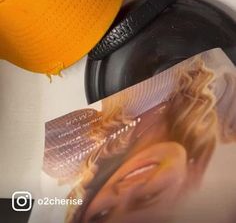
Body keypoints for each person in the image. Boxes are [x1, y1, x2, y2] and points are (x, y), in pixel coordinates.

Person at [63, 53, 236, 223]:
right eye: (146, 197)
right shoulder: (228, 117)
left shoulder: (76, 157)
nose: (124, 189)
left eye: (102, 214)